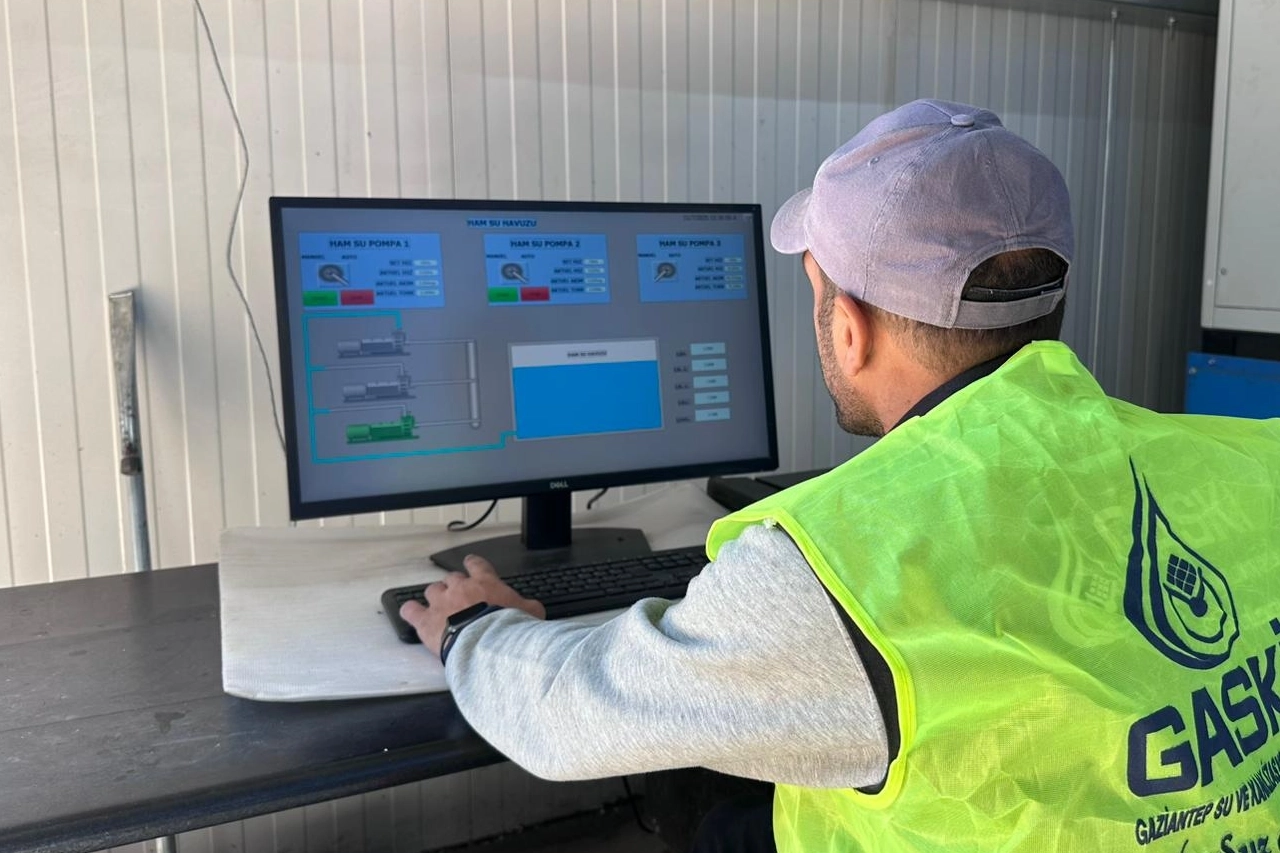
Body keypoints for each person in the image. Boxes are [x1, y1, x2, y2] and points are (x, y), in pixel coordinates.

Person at [400, 100, 1280, 852]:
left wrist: (473, 627)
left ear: (849, 329)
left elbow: (568, 716)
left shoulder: (844, 568)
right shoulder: (1251, 460)